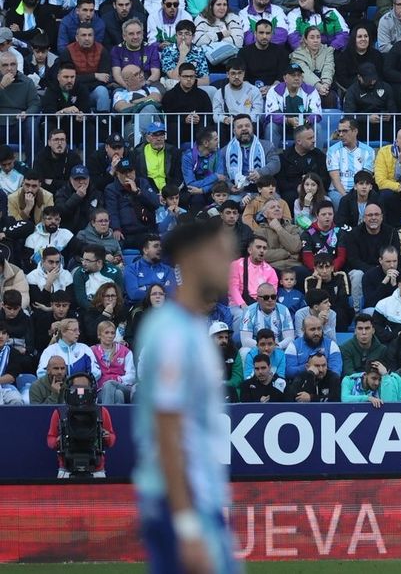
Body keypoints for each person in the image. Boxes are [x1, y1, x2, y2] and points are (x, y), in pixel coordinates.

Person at [133, 217, 239, 574]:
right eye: (222, 253)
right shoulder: (173, 333)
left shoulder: (190, 328)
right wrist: (186, 524)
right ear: (194, 258)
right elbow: (167, 429)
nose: (230, 264)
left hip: (195, 498)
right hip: (183, 501)